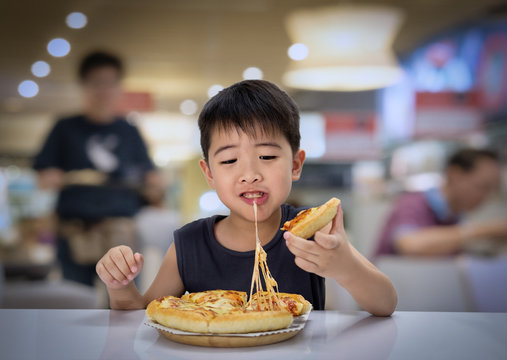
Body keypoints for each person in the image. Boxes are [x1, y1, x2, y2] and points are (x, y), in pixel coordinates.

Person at [96, 80, 397, 316]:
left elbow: (385, 303)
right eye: (229, 161)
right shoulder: (189, 245)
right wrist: (119, 286)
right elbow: (144, 315)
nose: (250, 173)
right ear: (209, 173)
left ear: (295, 164)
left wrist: (343, 266)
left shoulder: (311, 231)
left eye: (266, 155)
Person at [33, 51, 162, 286]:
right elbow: (43, 175)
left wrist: (154, 185)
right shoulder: (65, 128)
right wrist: (59, 177)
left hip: (121, 232)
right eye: (97, 82)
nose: (104, 90)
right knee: (75, 301)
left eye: (111, 83)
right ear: (84, 85)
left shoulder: (129, 130)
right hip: (75, 231)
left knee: (124, 304)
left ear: (119, 87)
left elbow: (151, 176)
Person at [374, 148, 506, 257]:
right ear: (455, 174)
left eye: (492, 190)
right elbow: (410, 246)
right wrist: (484, 231)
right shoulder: (412, 204)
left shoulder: (456, 216)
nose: (486, 196)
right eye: (482, 187)